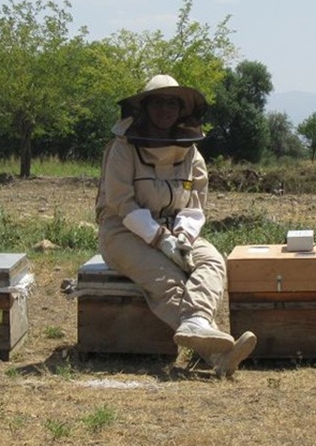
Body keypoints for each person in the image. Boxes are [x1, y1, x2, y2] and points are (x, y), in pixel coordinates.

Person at [95, 74, 256, 377]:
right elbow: (122, 203)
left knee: (211, 261)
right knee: (168, 276)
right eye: (159, 102)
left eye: (173, 103)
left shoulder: (191, 151)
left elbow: (194, 204)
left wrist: (182, 237)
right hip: (122, 231)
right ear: (145, 107)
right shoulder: (123, 148)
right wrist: (160, 240)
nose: (166, 109)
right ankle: (215, 351)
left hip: (175, 229)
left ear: (182, 110)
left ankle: (202, 331)